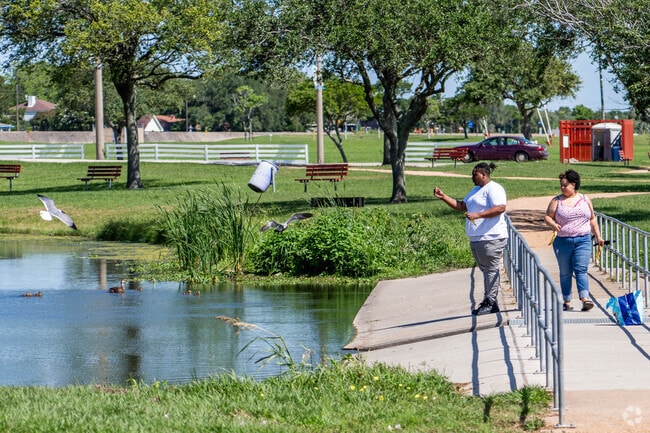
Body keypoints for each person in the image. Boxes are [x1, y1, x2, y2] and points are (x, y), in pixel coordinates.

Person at [434, 162, 508, 315]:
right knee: (486, 270)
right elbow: (462, 206)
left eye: (474, 175)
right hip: (477, 237)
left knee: (491, 270)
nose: (471, 177)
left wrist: (478, 215)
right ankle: (490, 300)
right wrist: (443, 197)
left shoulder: (494, 188)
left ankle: (490, 302)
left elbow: (500, 207)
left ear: (483, 175)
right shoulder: (476, 190)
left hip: (491, 236)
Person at [545, 169, 604, 312]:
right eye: (561, 185)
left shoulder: (584, 199)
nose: (562, 188)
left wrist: (598, 236)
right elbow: (547, 217)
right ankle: (566, 300)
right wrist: (553, 224)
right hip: (563, 241)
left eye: (565, 185)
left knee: (581, 269)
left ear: (574, 184)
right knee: (565, 272)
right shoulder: (556, 201)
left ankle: (585, 298)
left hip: (583, 240)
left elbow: (592, 219)